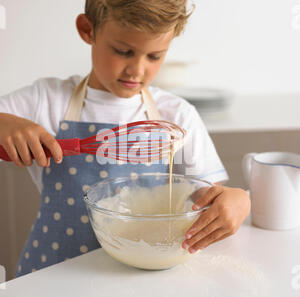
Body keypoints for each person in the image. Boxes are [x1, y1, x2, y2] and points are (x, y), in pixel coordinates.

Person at [0, 0, 250, 278]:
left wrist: (237, 201)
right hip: (53, 275)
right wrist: (4, 123)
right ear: (87, 30)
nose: (137, 70)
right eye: (123, 51)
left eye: (154, 56)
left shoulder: (177, 116)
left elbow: (207, 199)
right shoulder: (45, 101)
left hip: (140, 279)